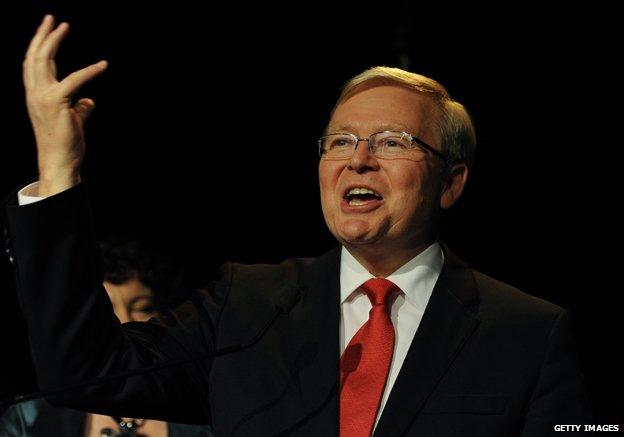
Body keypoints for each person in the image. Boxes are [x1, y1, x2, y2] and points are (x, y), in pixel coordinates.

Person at [1, 15, 593, 436]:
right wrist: (58, 170)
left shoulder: (529, 333)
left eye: (391, 142)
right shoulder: (247, 306)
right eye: (339, 141)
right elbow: (87, 376)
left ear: (452, 181)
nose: (357, 159)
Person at [0, 238, 213, 436]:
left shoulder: (205, 406)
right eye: (108, 311)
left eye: (142, 308)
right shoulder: (26, 418)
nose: (124, 320)